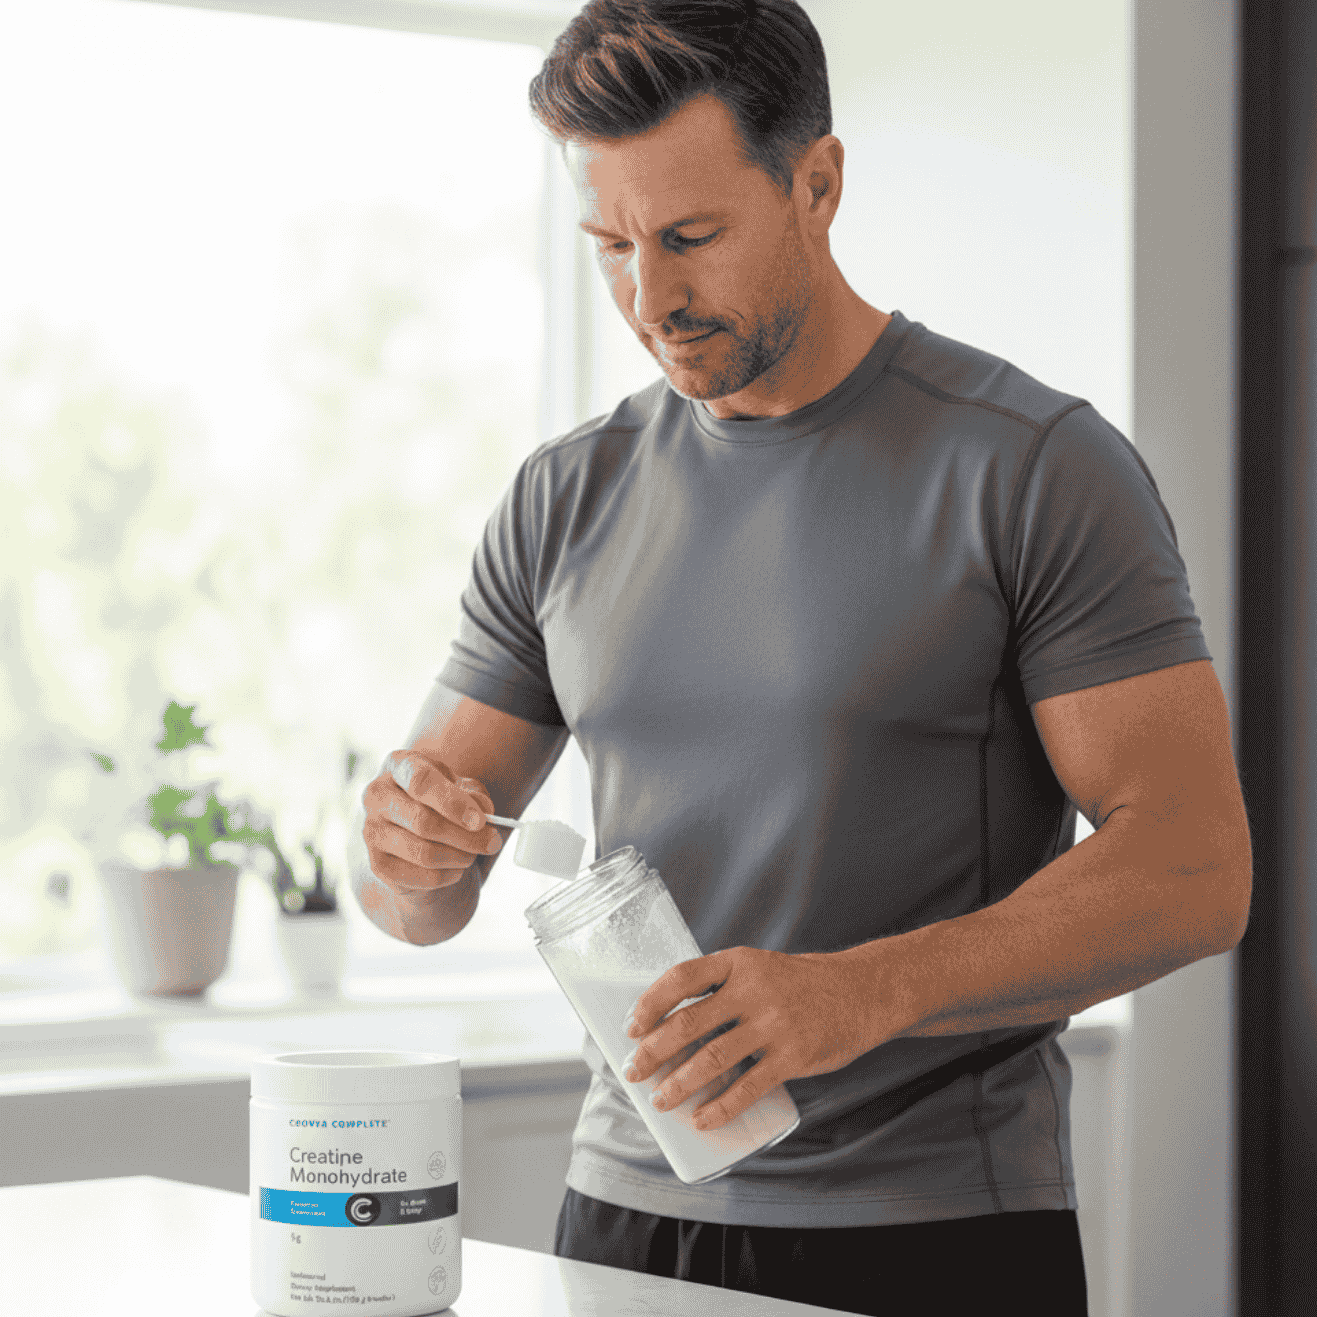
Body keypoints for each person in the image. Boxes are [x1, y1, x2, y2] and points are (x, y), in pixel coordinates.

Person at [349, 2, 1253, 1314]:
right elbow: (415, 902)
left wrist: (860, 994)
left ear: (817, 183)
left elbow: (1194, 867)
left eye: (690, 238)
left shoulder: (1031, 469)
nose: (649, 298)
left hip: (935, 1233)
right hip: (621, 1216)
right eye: (608, 246)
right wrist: (404, 850)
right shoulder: (565, 497)